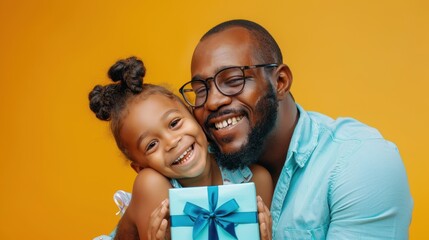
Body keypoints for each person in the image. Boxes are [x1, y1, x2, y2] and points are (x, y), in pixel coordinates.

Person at [172, 19, 413, 239]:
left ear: (280, 82)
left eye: (234, 80)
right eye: (201, 90)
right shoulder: (191, 162)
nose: (212, 102)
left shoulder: (360, 161)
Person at [88, 56, 273, 240]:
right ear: (141, 167)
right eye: (152, 145)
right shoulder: (152, 186)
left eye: (174, 123)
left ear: (195, 117)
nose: (172, 142)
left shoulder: (254, 181)